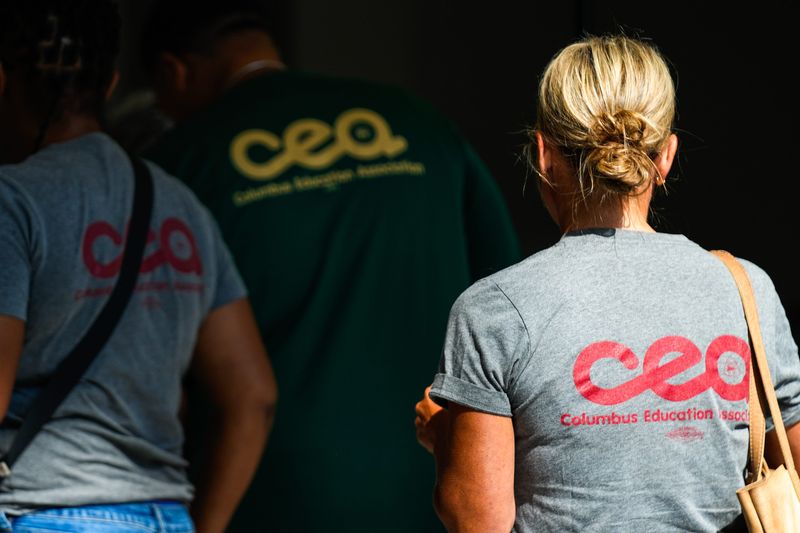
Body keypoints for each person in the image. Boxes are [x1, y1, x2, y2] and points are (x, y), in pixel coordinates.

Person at [137, 1, 521, 530]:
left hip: (269, 497)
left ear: (172, 73)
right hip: (437, 483)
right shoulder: (418, 121)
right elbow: (510, 296)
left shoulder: (177, 164)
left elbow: (146, 357)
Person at [414, 34, 800, 532]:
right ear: (665, 157)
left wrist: (448, 436)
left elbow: (477, 518)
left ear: (543, 152)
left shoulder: (494, 311)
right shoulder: (746, 289)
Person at [0, 1, 278, 532]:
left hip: (42, 509)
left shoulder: (13, 202)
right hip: (165, 515)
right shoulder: (180, 205)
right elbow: (254, 395)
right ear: (110, 84)